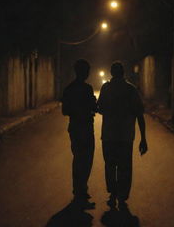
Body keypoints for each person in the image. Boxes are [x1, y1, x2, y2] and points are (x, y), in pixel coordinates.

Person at [97, 61, 147, 209]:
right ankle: (122, 195)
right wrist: (143, 138)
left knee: (110, 165)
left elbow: (99, 108)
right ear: (123, 73)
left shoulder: (106, 88)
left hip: (109, 136)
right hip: (126, 136)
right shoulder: (131, 89)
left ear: (112, 73)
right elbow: (140, 115)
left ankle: (112, 192)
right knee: (125, 166)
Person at [61, 59, 97, 208]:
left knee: (78, 160)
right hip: (86, 128)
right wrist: (90, 106)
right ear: (84, 72)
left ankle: (79, 190)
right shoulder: (87, 89)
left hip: (75, 128)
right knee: (86, 161)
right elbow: (94, 108)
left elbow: (64, 111)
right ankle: (81, 192)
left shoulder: (68, 89)